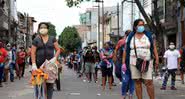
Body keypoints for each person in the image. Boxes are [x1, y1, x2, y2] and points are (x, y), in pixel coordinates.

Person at [122, 19, 159, 99]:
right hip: (133, 61)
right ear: (135, 27)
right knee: (137, 81)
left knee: (149, 82)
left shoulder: (149, 35)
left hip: (147, 61)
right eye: (139, 25)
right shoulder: (130, 36)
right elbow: (125, 49)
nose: (141, 27)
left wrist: (157, 59)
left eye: (142, 25)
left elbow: (154, 47)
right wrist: (123, 62)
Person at [31, 22, 61, 99]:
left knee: (50, 84)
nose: (43, 29)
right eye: (41, 27)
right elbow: (33, 52)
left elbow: (58, 49)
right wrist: (33, 64)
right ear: (39, 29)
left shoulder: (52, 38)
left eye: (44, 27)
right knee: (39, 85)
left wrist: (55, 58)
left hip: (50, 66)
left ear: (47, 29)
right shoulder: (36, 39)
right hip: (38, 67)